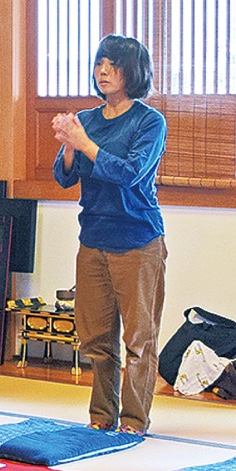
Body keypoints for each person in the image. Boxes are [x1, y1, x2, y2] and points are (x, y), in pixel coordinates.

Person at [52, 35, 167, 435]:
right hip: (93, 238)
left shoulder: (149, 121)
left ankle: (134, 421)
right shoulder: (88, 118)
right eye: (100, 63)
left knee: (138, 341)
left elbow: (129, 173)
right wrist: (69, 147)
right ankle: (101, 416)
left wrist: (84, 143)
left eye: (113, 65)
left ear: (132, 72)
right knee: (97, 340)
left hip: (138, 240)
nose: (103, 71)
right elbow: (65, 177)